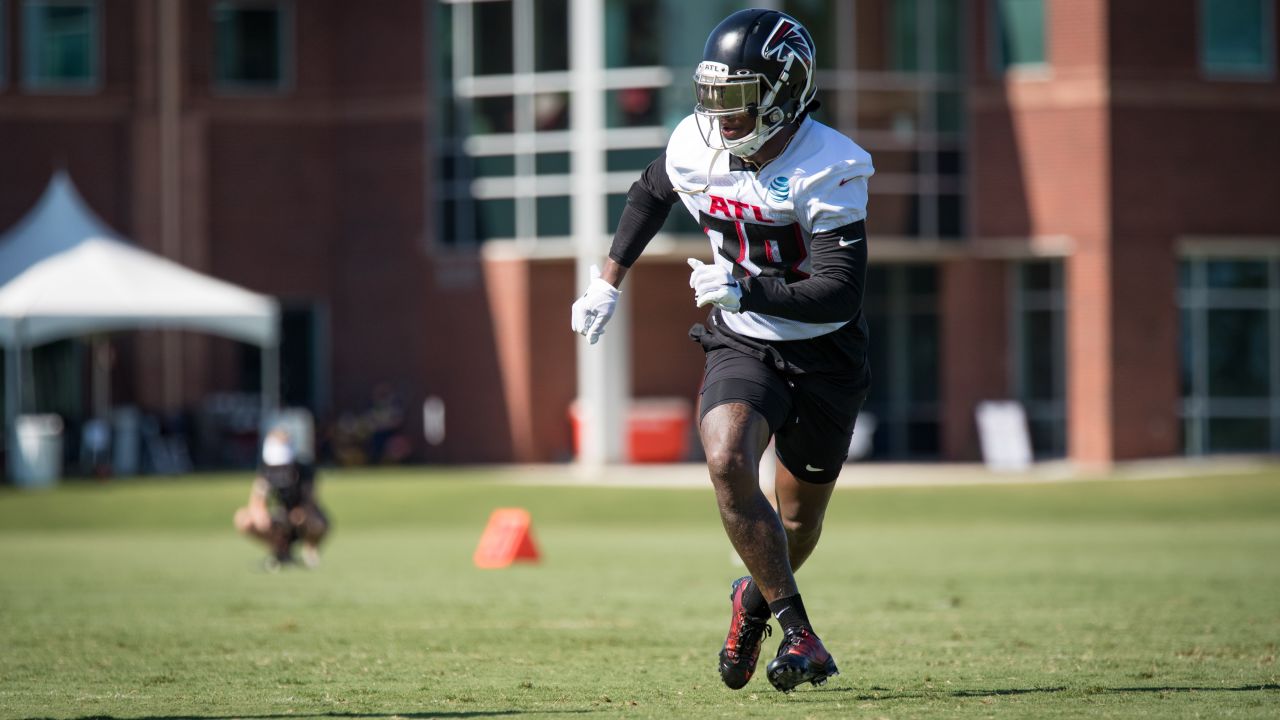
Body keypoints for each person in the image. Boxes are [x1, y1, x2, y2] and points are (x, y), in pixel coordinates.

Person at [570, 9, 873, 693]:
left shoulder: (829, 164)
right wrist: (606, 280)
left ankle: (753, 601)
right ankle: (800, 633)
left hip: (825, 353)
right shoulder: (694, 145)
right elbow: (650, 191)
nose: (720, 114)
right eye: (711, 96)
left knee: (797, 520)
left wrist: (749, 286)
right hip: (743, 342)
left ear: (783, 91)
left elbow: (838, 293)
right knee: (725, 458)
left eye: (736, 98)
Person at [233, 429, 330, 570]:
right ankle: (281, 551)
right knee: (243, 519)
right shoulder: (265, 469)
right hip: (280, 517)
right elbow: (256, 501)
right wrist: (261, 515)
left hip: (301, 518)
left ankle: (309, 549)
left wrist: (299, 513)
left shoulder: (304, 469)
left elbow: (310, 501)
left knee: (317, 523)